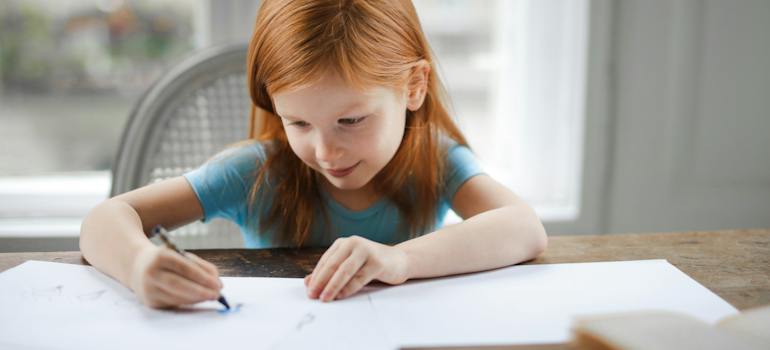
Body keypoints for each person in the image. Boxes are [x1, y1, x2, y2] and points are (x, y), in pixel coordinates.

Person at [80, 0, 547, 309]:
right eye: (298, 123)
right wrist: (139, 263)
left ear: (414, 86)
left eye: (351, 121)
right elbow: (104, 219)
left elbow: (524, 229)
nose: (325, 151)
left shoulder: (436, 161)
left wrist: (400, 261)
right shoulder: (256, 172)